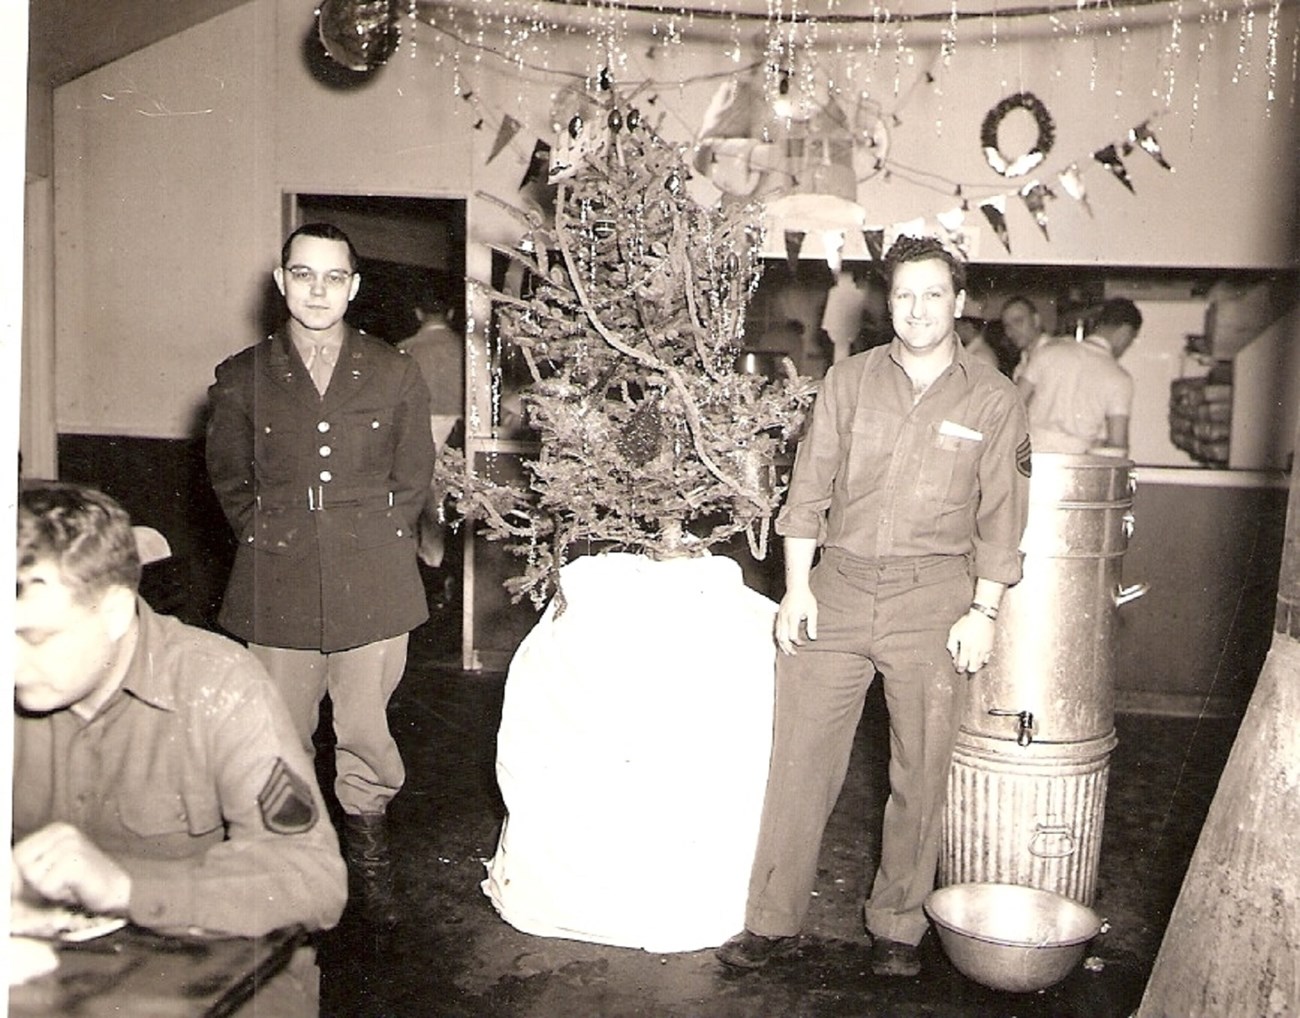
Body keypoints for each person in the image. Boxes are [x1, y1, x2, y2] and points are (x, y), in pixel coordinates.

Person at [716, 235, 1031, 977]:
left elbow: (1003, 519)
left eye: (933, 295)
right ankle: (771, 920)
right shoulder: (849, 382)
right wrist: (796, 588)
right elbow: (809, 493)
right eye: (904, 295)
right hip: (840, 587)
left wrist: (983, 613)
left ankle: (897, 926)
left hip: (936, 598)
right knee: (799, 763)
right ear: (889, 303)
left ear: (958, 303)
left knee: (918, 772)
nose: (917, 310)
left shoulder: (993, 397)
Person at [12, 483, 347, 1015]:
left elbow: (312, 879)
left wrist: (124, 885)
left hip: (212, 978)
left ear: (115, 612)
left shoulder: (219, 687)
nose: (11, 662)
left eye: (35, 638)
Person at [205, 222, 434, 926]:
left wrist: (373, 538)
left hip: (374, 574)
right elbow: (228, 478)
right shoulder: (242, 375)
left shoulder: (394, 371)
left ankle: (368, 867)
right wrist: (269, 537)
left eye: (334, 277)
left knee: (366, 728)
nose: (318, 290)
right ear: (280, 282)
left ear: (355, 287)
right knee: (279, 735)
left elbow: (412, 475)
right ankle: (291, 867)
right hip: (278, 574)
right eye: (303, 274)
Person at [1017, 297, 1143, 456]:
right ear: (1125, 332)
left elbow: (1013, 403)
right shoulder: (1119, 378)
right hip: (1076, 464)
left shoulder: (1048, 352)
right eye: (1130, 340)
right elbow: (1118, 446)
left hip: (1029, 456)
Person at [999, 295, 1052, 381]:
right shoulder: (1023, 362)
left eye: (1018, 321)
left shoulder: (1052, 355)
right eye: (1007, 326)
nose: (1012, 331)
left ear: (1036, 320)